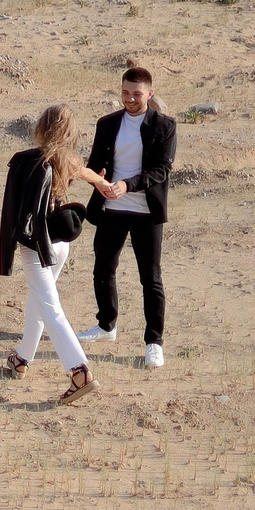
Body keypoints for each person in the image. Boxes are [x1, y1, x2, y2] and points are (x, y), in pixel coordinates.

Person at [0, 104, 115, 406]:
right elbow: (86, 171)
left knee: (50, 306)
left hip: (37, 246)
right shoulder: (67, 160)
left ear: (42, 127)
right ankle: (22, 358)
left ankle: (80, 372)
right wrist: (102, 183)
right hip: (60, 244)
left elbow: (20, 213)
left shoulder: (32, 162)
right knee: (39, 300)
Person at [78, 65, 176, 370]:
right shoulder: (107, 124)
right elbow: (94, 164)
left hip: (145, 211)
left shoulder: (165, 126)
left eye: (136, 93)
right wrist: (101, 180)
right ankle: (106, 326)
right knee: (102, 269)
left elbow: (161, 170)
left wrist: (127, 185)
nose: (130, 99)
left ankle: (153, 343)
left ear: (150, 93)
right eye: (125, 92)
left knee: (151, 278)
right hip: (111, 208)